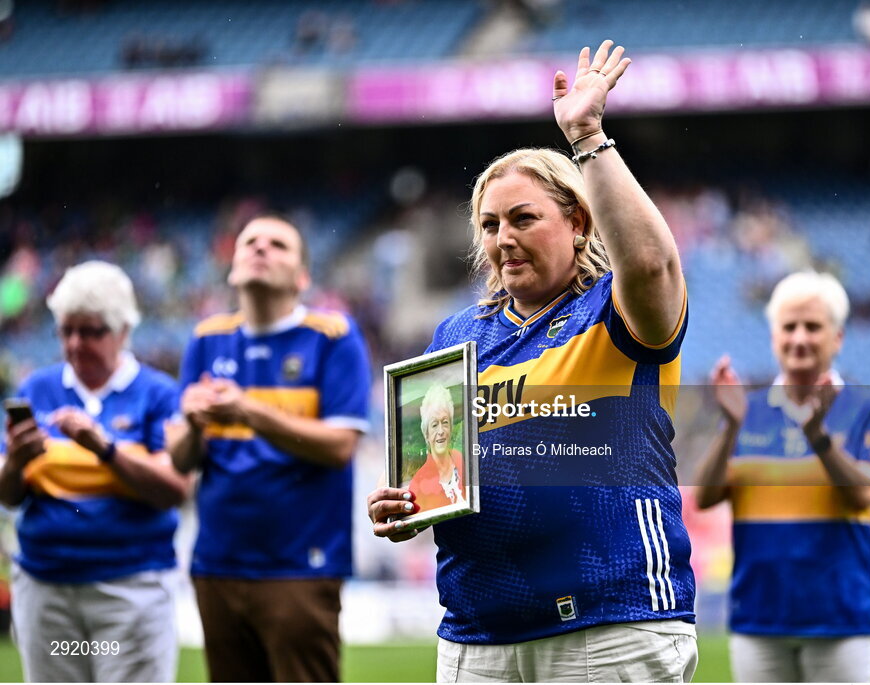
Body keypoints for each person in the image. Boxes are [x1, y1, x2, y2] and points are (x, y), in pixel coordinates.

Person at [367, 41, 698, 683]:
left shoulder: (617, 311)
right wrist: (410, 508)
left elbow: (653, 263)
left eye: (523, 218)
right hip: (476, 636)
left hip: (611, 626)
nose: (503, 239)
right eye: (489, 225)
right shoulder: (456, 335)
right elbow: (441, 478)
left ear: (578, 223)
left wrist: (587, 136)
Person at [167, 214, 372, 682]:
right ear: (232, 265)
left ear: (302, 277)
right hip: (216, 562)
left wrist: (248, 413)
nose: (260, 249)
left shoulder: (333, 336)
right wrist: (193, 423)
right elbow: (181, 459)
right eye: (249, 242)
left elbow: (341, 446)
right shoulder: (205, 338)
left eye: (277, 244)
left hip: (300, 563)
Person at [693, 271, 870, 683]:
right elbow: (706, 496)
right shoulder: (744, 410)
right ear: (773, 337)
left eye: (813, 326)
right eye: (789, 326)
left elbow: (862, 495)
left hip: (838, 619)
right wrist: (730, 427)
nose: (799, 338)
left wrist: (818, 437)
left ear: (837, 337)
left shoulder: (866, 409)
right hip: (758, 618)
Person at [0, 260, 188, 682]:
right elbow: (9, 494)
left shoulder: (156, 393)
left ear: (123, 330)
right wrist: (15, 461)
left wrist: (104, 448)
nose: (75, 343)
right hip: (46, 587)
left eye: (91, 331)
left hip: (130, 589)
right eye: (66, 330)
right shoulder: (37, 389)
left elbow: (175, 488)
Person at [408, 383, 466, 511]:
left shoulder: (463, 460)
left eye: (445, 422)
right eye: (434, 425)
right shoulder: (419, 482)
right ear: (426, 434)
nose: (441, 431)